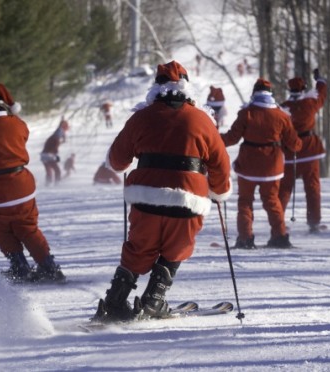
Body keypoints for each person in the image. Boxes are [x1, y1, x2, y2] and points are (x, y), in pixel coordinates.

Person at [93, 61, 231, 322]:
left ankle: (114, 302)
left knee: (139, 247)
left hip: (145, 197)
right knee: (176, 248)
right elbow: (221, 163)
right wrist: (219, 190)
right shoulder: (202, 120)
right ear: (187, 86)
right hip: (188, 199)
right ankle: (154, 299)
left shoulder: (141, 117)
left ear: (155, 86)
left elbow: (116, 161)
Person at [0, 82, 65, 282]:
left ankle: (19, 266)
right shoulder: (17, 123)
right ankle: (48, 267)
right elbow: (22, 137)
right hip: (20, 188)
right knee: (28, 227)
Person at [221, 78, 302, 249]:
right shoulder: (281, 115)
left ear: (254, 93)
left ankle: (245, 238)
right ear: (270, 93)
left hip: (248, 165)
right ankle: (279, 236)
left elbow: (232, 138)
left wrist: (214, 140)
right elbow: (294, 143)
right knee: (272, 201)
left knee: (245, 201)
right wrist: (298, 144)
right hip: (272, 167)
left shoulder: (247, 113)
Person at [279, 69, 328, 233]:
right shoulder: (310, 103)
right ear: (303, 89)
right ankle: (313, 223)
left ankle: (277, 222)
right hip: (309, 151)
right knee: (312, 187)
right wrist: (320, 80)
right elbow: (321, 94)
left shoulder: (283, 108)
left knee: (284, 189)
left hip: (289, 152)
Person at [40, 117, 69, 186]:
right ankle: (57, 184)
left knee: (49, 172)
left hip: (44, 155)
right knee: (57, 171)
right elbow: (56, 144)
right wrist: (56, 155)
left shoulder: (55, 136)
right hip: (48, 156)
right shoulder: (57, 136)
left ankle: (47, 184)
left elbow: (55, 144)